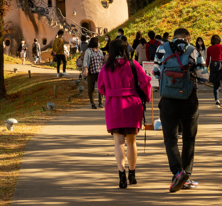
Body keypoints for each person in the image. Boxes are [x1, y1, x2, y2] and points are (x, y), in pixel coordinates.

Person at [153, 27, 207, 192]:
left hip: (168, 100)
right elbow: (204, 77)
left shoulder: (161, 49)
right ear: (188, 38)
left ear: (174, 36)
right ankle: (186, 175)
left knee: (170, 139)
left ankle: (177, 172)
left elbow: (156, 73)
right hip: (189, 100)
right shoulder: (194, 51)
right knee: (189, 139)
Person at [97, 36, 151, 188]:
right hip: (132, 104)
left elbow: (101, 87)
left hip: (113, 104)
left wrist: (110, 93)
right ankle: (132, 174)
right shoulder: (133, 64)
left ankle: (121, 174)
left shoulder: (106, 67)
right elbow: (145, 81)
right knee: (131, 142)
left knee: (118, 142)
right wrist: (146, 98)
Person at [83, 36, 104, 109]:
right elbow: (85, 60)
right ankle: (92, 103)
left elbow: (102, 61)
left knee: (101, 87)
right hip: (91, 72)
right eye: (98, 42)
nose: (99, 43)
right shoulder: (88, 51)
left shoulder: (100, 51)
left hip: (100, 72)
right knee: (91, 88)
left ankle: (100, 102)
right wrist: (86, 69)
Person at [206, 34, 222, 107]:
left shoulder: (209, 48)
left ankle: (217, 100)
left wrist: (206, 66)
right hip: (221, 64)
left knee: (216, 84)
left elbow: (207, 59)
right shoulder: (221, 47)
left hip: (213, 65)